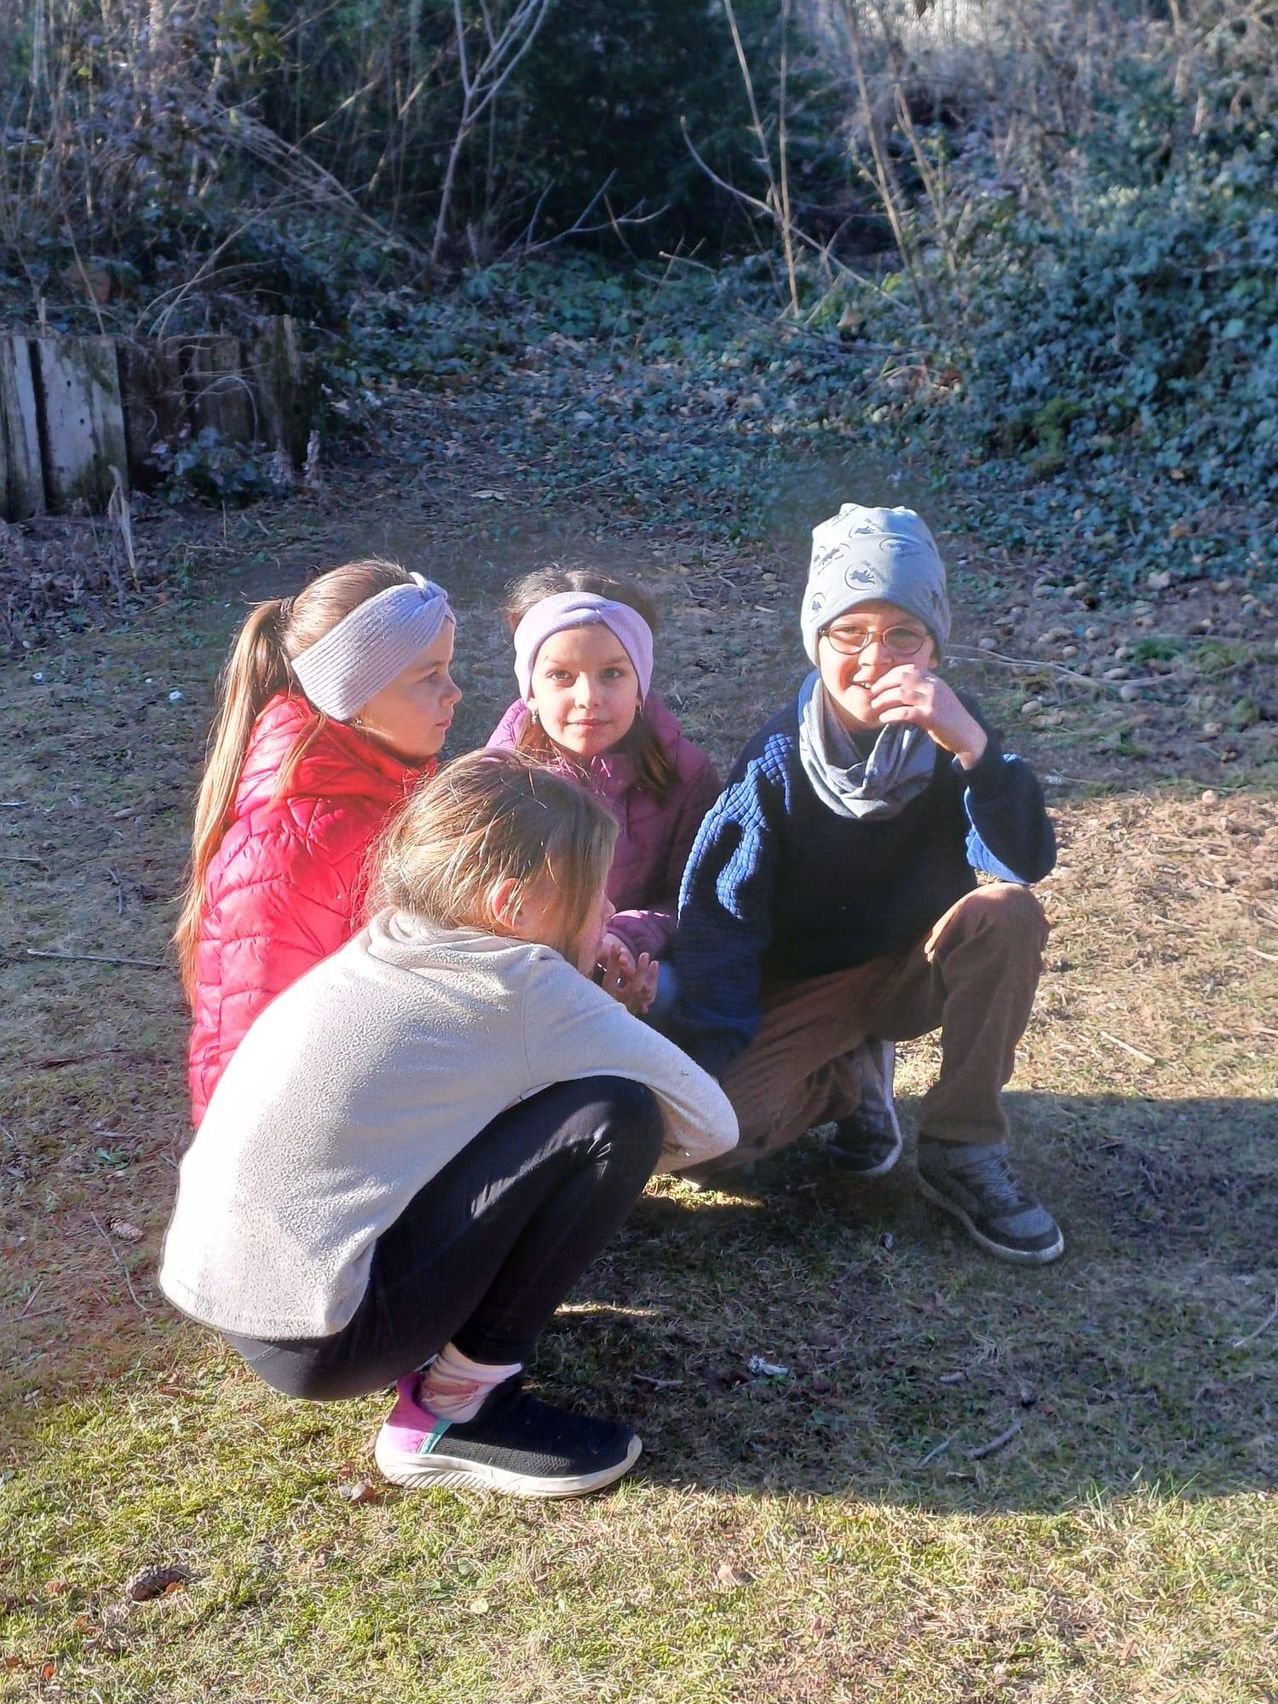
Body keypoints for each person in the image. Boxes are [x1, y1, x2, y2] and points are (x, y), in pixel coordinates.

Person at [160, 750, 738, 1499]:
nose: (607, 911)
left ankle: (439, 1365)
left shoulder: (391, 937)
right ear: (513, 906)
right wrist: (606, 1025)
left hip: (238, 1296)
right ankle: (455, 1411)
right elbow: (711, 1127)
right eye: (594, 890)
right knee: (615, 1114)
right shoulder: (522, 983)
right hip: (332, 1337)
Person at [669, 503, 1063, 1265]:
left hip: (911, 966)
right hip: (805, 990)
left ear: (935, 646)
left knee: (1007, 912)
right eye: (849, 633)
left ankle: (962, 1147)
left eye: (902, 635)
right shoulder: (774, 763)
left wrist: (976, 751)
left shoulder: (956, 733)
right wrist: (711, 1061)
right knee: (714, 1143)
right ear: (816, 641)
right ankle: (847, 1080)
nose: (875, 659)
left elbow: (1022, 862)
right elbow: (720, 919)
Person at [174, 560, 460, 1125]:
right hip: (309, 1148)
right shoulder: (291, 848)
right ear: (355, 694)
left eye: (449, 669)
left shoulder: (386, 790)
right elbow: (261, 1060)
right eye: (429, 676)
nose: (454, 692)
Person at [487, 568, 720, 1015]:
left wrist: (623, 938)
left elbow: (693, 895)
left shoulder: (686, 775)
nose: (588, 696)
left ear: (640, 685)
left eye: (612, 673)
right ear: (530, 689)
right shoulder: (496, 778)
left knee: (666, 992)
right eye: (560, 675)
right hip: (527, 966)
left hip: (628, 957)